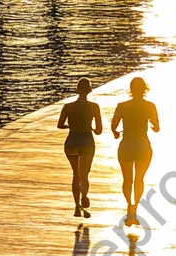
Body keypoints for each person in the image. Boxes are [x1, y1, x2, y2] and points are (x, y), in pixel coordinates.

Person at [112, 76, 159, 227]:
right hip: (143, 145)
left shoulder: (122, 106)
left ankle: (128, 206)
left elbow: (114, 126)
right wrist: (151, 126)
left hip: (126, 145)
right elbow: (157, 127)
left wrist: (116, 133)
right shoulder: (150, 106)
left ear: (130, 90)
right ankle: (135, 208)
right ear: (145, 89)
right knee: (139, 179)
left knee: (127, 179)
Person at [58, 78, 102, 218]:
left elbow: (60, 124)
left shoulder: (68, 107)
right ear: (89, 90)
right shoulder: (94, 107)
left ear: (77, 89)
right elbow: (99, 130)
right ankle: (84, 196)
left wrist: (69, 126)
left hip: (71, 141)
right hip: (86, 141)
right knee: (84, 174)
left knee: (75, 174)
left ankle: (77, 206)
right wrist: (93, 129)